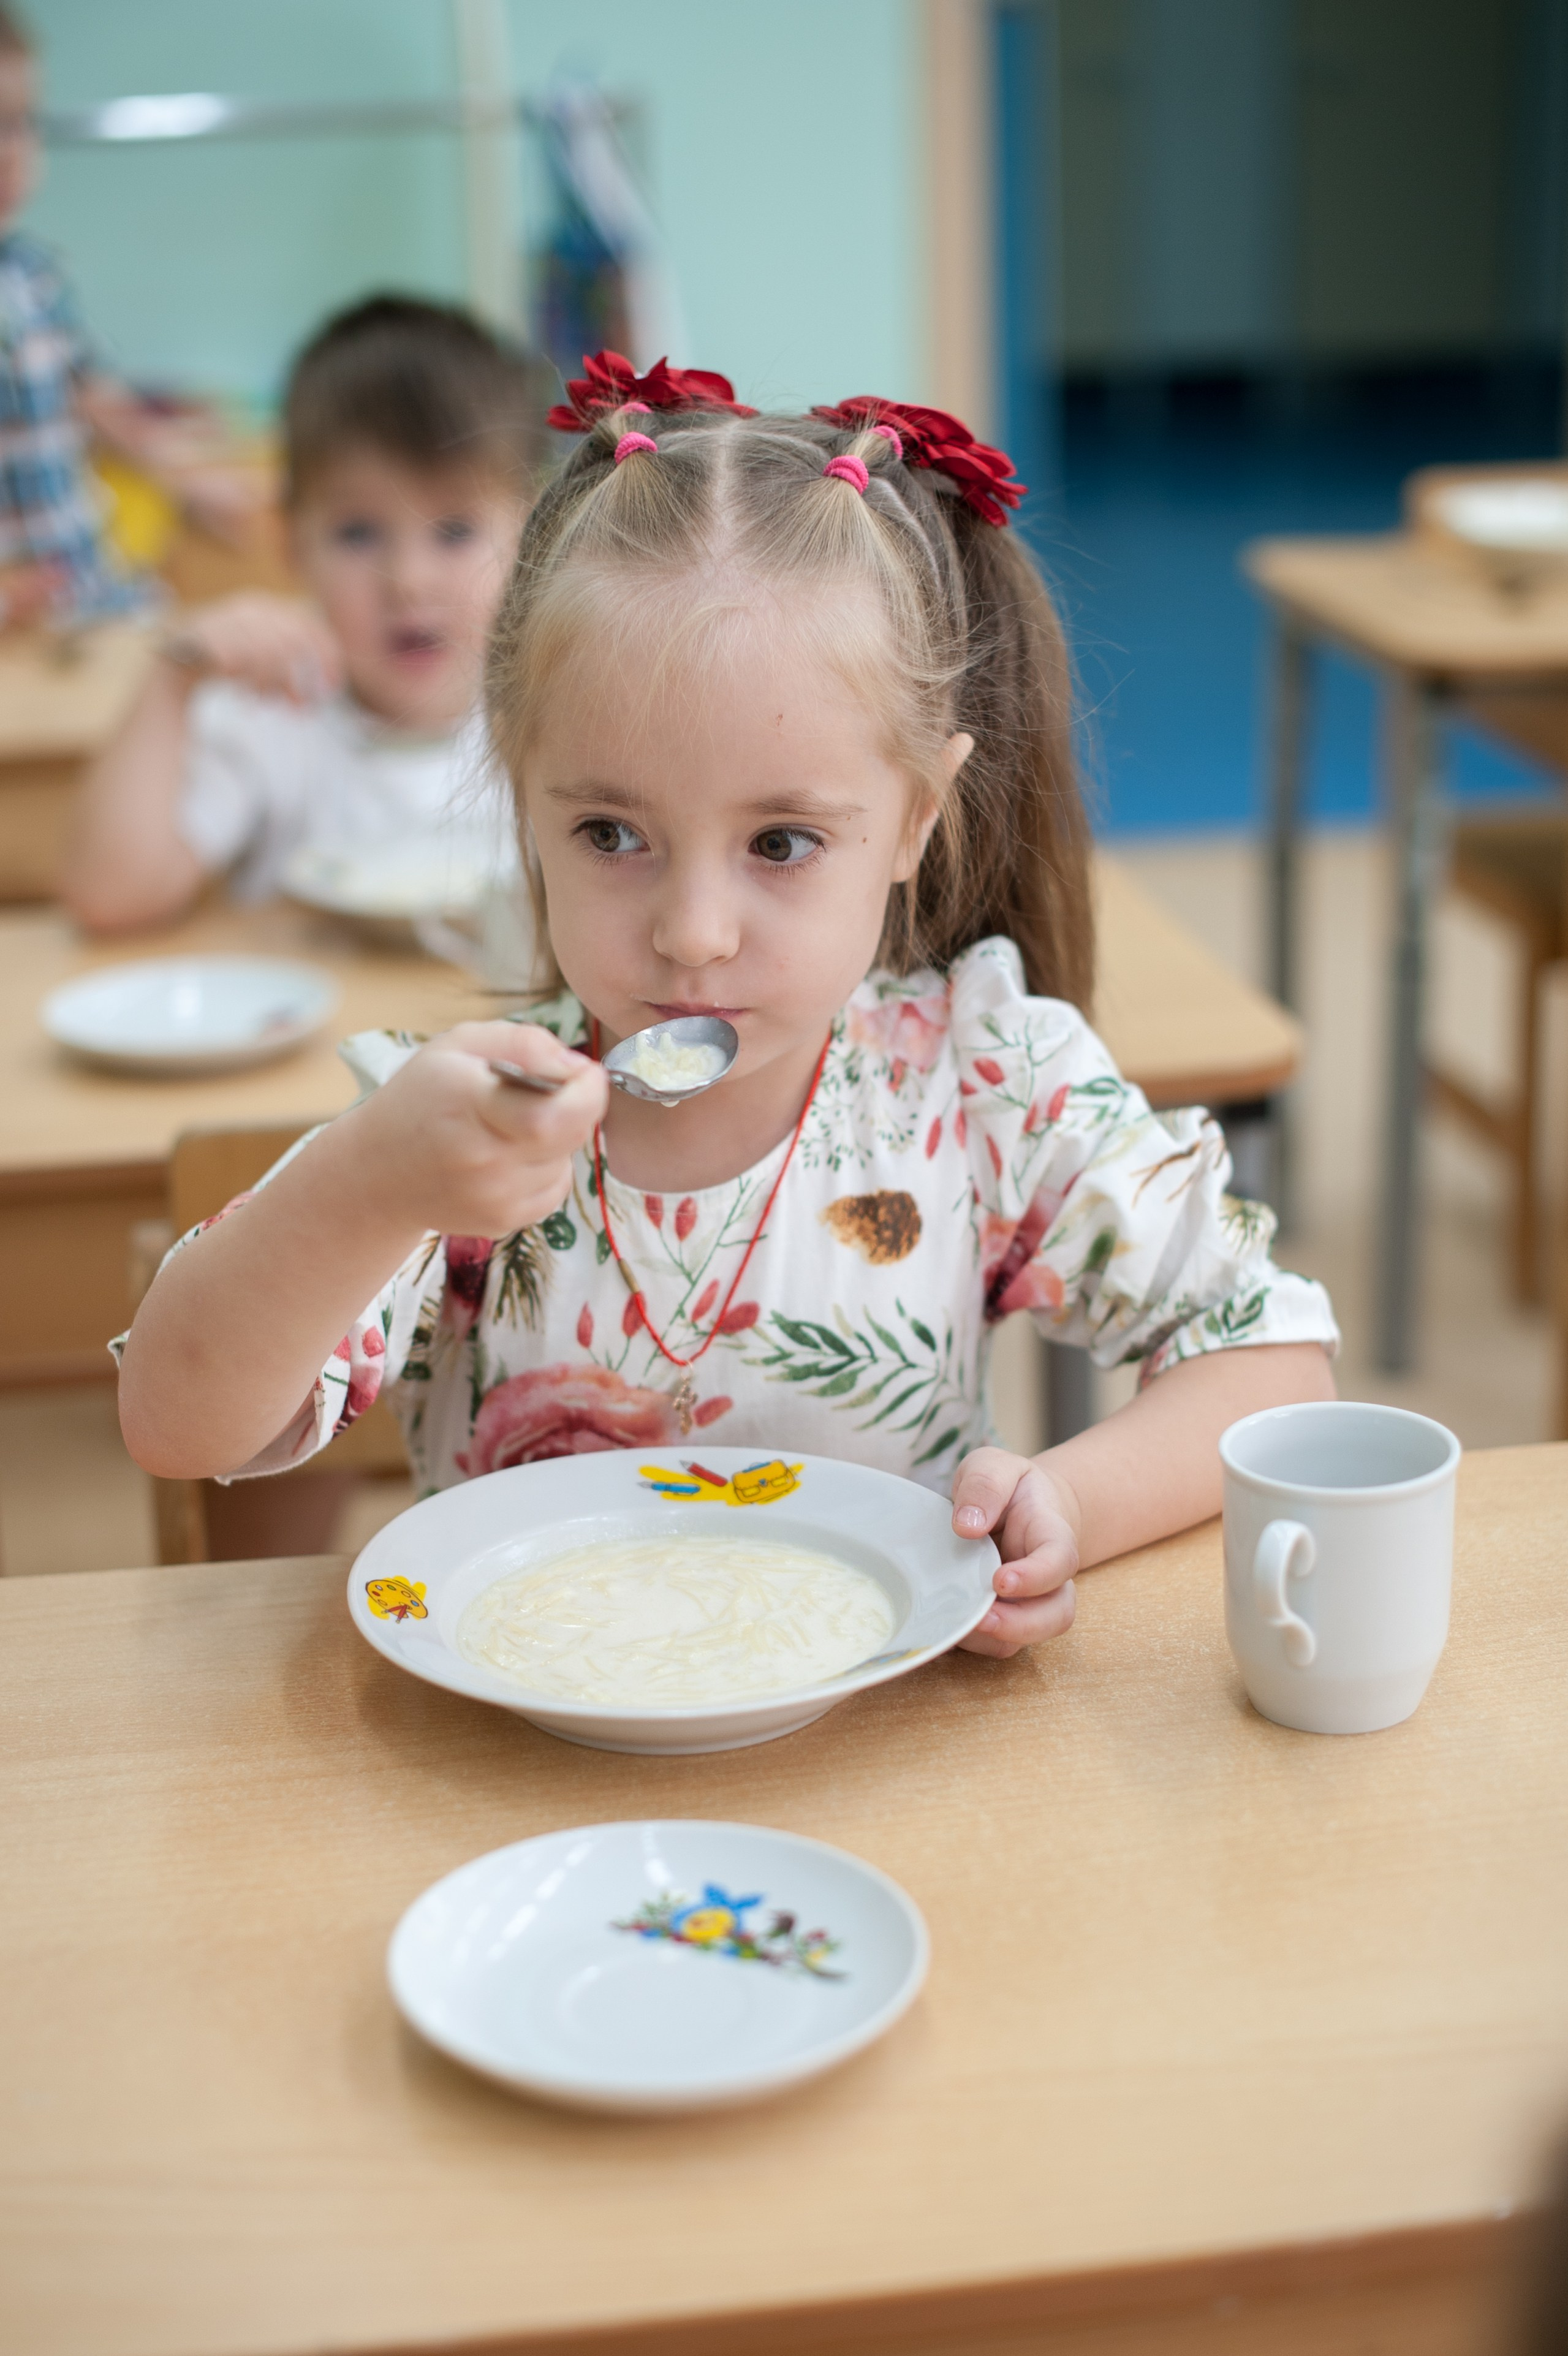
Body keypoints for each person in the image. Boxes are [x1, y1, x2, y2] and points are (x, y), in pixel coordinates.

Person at [115, 351, 1339, 1657]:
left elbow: (1272, 1353)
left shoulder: (981, 1078)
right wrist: (366, 1183)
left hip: (887, 1750)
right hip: (524, 1783)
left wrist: (1072, 1500)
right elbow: (180, 1425)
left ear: (915, 816)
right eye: (608, 830)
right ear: (522, 797)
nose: (690, 932)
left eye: (780, 843)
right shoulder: (457, 1124)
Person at [63, 295, 539, 933]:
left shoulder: (550, 714)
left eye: (454, 532)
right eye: (358, 534)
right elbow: (109, 897)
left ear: (531, 533)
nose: (409, 581)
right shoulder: (272, 709)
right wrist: (171, 682)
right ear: (291, 543)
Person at [0, 3, 256, 632]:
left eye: (20, 122)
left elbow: (94, 399)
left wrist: (186, 473)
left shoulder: (32, 274)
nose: (10, 151)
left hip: (81, 582)